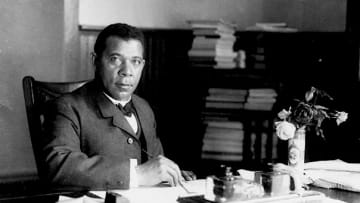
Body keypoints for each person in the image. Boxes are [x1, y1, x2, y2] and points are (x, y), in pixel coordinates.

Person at [42, 23, 195, 190]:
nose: (127, 71)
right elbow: (58, 166)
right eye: (115, 59)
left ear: (142, 66)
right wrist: (137, 175)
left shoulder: (144, 108)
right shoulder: (68, 106)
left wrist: (169, 174)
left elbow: (155, 163)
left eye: (135, 61)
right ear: (96, 61)